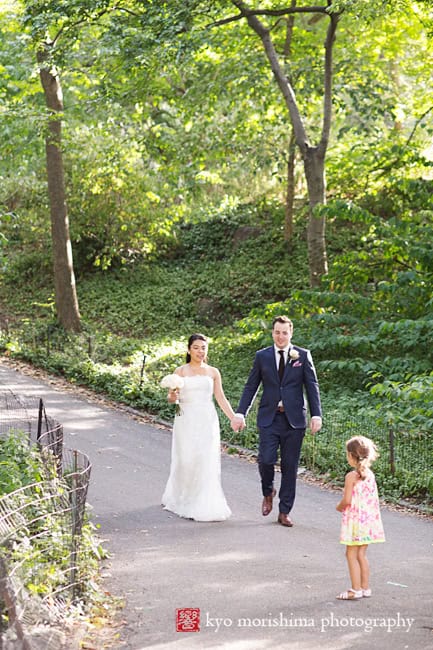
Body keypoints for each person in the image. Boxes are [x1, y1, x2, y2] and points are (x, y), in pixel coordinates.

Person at [231, 315, 322, 527]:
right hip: (269, 417)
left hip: (294, 420)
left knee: (290, 466)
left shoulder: (302, 355)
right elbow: (251, 386)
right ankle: (268, 491)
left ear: (291, 333)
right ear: (272, 333)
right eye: (277, 332)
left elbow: (312, 386)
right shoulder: (262, 356)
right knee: (265, 459)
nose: (280, 337)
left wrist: (316, 415)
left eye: (284, 333)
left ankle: (284, 511)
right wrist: (240, 412)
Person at [161, 333, 234, 522]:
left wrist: (233, 417)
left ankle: (203, 500)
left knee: (205, 458)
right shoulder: (180, 371)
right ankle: (182, 496)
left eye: (203, 347)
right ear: (188, 349)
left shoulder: (213, 372)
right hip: (186, 418)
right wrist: (173, 395)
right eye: (196, 347)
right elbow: (172, 399)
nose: (200, 351)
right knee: (185, 458)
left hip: (207, 419)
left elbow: (220, 397)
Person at [336, 435, 385, 600]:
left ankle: (354, 590)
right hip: (368, 522)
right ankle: (365, 588)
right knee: (361, 555)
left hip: (355, 522)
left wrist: (339, 506)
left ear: (351, 456)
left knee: (350, 554)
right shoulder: (369, 475)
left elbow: (347, 500)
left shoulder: (351, 477)